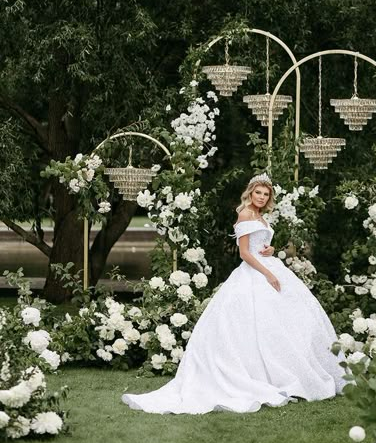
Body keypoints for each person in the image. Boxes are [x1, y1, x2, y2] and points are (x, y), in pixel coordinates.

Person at [122, 173, 345, 414]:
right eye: (258, 192)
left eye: (265, 194)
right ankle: (257, 374)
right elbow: (245, 254)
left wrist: (270, 249)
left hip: (268, 265)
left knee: (286, 321)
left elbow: (259, 246)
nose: (261, 197)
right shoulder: (245, 214)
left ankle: (285, 372)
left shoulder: (261, 216)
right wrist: (268, 274)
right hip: (255, 272)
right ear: (250, 193)